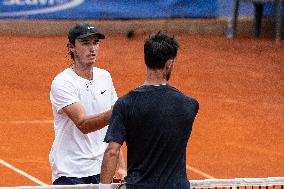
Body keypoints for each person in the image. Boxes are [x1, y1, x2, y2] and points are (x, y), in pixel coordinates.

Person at [100, 32, 199, 189]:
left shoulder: (125, 104)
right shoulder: (190, 105)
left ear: (146, 60)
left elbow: (112, 152)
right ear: (169, 64)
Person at [49, 23, 126, 185]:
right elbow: (83, 124)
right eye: (85, 43)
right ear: (71, 47)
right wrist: (118, 111)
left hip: (101, 168)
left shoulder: (105, 77)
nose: (92, 49)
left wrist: (121, 167)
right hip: (70, 171)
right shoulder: (63, 82)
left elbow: (115, 126)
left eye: (96, 43)